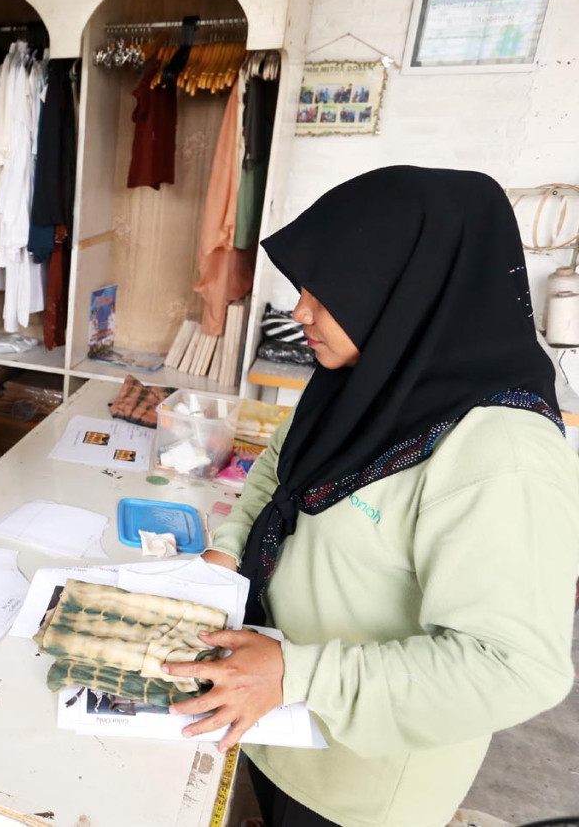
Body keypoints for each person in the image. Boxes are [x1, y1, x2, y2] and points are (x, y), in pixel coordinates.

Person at [163, 166, 579, 827]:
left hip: (362, 786)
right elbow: (278, 472)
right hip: (273, 716)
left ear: (404, 290)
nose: (300, 310)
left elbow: (514, 667)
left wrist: (297, 677)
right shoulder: (363, 385)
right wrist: (226, 555)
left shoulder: (503, 454)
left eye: (328, 293)